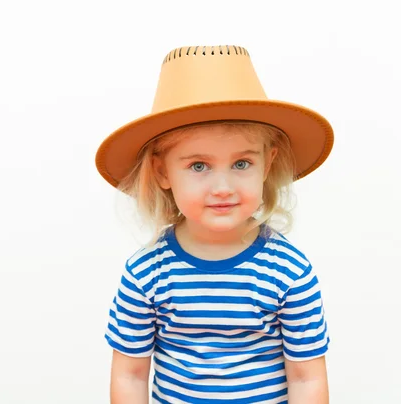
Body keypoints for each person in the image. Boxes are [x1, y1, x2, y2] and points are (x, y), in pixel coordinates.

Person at [95, 45, 333, 403]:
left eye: (241, 164)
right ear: (162, 171)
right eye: (199, 166)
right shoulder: (146, 273)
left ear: (267, 165)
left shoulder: (288, 271)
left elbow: (307, 380)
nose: (223, 189)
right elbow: (129, 375)